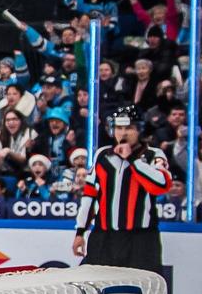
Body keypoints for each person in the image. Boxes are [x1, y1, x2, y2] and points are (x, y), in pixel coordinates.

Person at [73, 104, 170, 274]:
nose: (123, 133)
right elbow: (90, 195)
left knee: (141, 291)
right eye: (119, 127)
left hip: (140, 238)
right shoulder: (102, 155)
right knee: (97, 288)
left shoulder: (153, 155)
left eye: (129, 128)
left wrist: (132, 159)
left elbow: (161, 186)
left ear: (139, 130)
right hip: (104, 236)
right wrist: (80, 231)